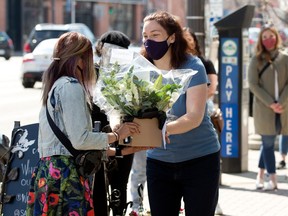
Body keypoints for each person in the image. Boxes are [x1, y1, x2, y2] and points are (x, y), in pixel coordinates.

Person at [26, 32, 141, 216]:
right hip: (65, 176)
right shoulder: (71, 87)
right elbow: (81, 140)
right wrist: (118, 135)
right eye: (88, 57)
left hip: (49, 174)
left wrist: (123, 150)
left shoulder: (55, 85)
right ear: (79, 59)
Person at [141, 11, 221, 216]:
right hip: (159, 161)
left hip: (200, 159)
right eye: (145, 35)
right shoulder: (141, 69)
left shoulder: (193, 66)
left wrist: (163, 129)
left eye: (155, 34)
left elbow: (194, 116)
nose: (149, 40)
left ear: (172, 37)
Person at [92, 30, 136, 216]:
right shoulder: (91, 72)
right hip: (102, 136)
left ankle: (118, 211)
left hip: (119, 135)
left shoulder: (128, 75)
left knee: (118, 184)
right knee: (101, 185)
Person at [184, 27, 223, 215]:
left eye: (187, 38)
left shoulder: (202, 64)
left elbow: (211, 89)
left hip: (203, 120)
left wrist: (192, 99)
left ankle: (217, 202)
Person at [248, 25, 288, 191]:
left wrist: (282, 103)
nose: (268, 40)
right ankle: (272, 178)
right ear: (260, 40)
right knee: (268, 142)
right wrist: (271, 103)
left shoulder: (285, 57)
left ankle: (259, 174)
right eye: (264, 37)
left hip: (284, 108)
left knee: (267, 143)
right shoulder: (256, 59)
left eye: (271, 36)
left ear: (276, 37)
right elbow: (252, 84)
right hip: (264, 109)